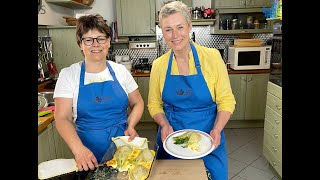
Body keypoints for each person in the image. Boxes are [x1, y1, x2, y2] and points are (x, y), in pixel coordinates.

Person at [147, 1, 236, 180]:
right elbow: (154, 104)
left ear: (189, 26)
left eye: (179, 27)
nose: (175, 35)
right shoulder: (158, 65)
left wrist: (217, 129)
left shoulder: (212, 57)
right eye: (168, 29)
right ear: (162, 32)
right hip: (172, 139)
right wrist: (164, 124)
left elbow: (226, 100)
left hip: (209, 137)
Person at [53, 14, 144, 177]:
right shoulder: (69, 75)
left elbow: (138, 103)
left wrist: (130, 126)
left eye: (100, 38)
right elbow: (62, 118)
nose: (95, 44)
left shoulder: (120, 71)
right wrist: (78, 150)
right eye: (88, 39)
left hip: (122, 148)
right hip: (88, 153)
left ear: (108, 41)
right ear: (80, 44)